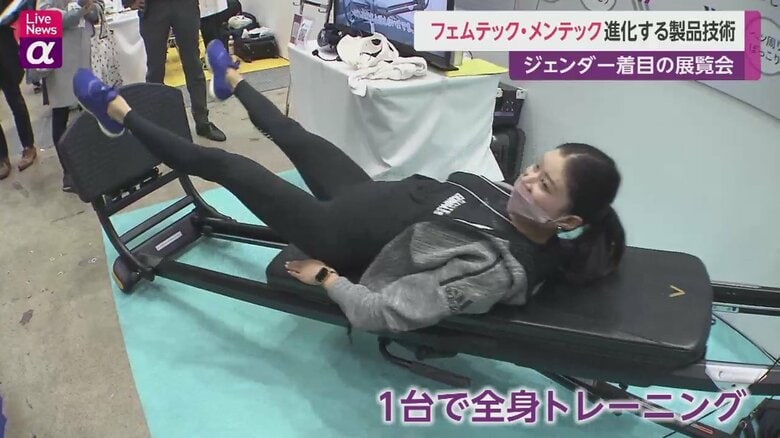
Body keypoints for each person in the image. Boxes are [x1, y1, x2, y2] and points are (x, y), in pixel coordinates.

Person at [71, 41, 625, 334]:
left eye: (544, 184)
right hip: (369, 196)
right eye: (537, 167)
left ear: (567, 221)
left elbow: (390, 312)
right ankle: (232, 79)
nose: (527, 178)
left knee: (229, 166)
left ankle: (117, 113)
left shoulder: (495, 269)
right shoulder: (510, 202)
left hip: (338, 234)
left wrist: (327, 277)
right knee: (297, 135)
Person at [123, 0, 226, 142]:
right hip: (153, 8)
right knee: (155, 70)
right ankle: (155, 124)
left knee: (193, 65)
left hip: (184, 6)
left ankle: (202, 121)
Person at [37, 0, 101, 191]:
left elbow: (97, 12)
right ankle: (69, 171)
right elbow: (46, 18)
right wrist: (80, 9)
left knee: (89, 110)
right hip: (58, 56)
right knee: (60, 113)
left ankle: (93, 163)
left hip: (83, 53)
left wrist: (90, 8)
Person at [0, 0, 37, 180]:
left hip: (4, 50)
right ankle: (2, 157)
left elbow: (20, 6)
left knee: (15, 101)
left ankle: (28, 146)